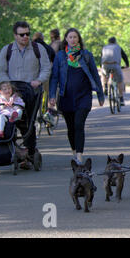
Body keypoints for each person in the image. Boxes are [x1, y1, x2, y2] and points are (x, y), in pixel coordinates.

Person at [0, 21, 51, 159]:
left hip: (31, 92)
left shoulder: (38, 49)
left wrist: (39, 80)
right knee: (6, 119)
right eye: (21, 34)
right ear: (15, 35)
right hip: (11, 93)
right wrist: (7, 86)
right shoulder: (6, 50)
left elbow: (46, 68)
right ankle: (10, 149)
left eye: (27, 34)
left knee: (28, 123)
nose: (25, 37)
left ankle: (30, 152)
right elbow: (1, 71)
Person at [48, 28, 104, 164]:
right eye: (70, 37)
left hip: (83, 96)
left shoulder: (86, 55)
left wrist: (100, 94)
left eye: (75, 37)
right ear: (66, 39)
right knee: (71, 127)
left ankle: (79, 156)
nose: (73, 40)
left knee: (79, 124)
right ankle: (74, 151)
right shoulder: (60, 56)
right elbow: (54, 77)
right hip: (66, 96)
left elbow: (95, 75)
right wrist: (51, 95)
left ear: (79, 39)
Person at [101, 37, 129, 106]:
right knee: (120, 81)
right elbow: (124, 56)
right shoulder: (118, 47)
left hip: (105, 65)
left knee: (104, 74)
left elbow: (101, 57)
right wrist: (127, 65)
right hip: (115, 65)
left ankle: (105, 86)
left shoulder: (104, 47)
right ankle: (121, 98)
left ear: (108, 42)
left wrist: (101, 66)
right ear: (115, 41)